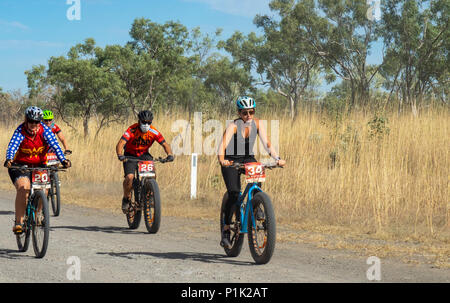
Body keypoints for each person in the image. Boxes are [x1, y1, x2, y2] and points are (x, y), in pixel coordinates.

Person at [217, 96, 286, 249]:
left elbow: (267, 144)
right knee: (234, 193)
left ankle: (256, 206)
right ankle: (226, 230)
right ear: (239, 113)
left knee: (257, 168)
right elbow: (222, 146)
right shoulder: (233, 126)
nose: (248, 116)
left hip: (247, 157)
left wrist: (277, 158)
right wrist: (222, 160)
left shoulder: (257, 124)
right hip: (231, 159)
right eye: (244, 113)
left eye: (251, 112)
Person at [3, 106, 71, 234]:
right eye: (30, 121)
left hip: (39, 165)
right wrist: (9, 159)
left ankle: (37, 214)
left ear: (40, 122)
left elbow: (55, 145)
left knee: (44, 189)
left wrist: (63, 160)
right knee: (24, 188)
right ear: (26, 120)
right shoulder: (20, 131)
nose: (33, 124)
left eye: (36, 122)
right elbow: (13, 145)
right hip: (20, 165)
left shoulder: (45, 130)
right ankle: (19, 222)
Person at [116, 110, 174, 213]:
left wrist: (169, 154)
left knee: (152, 173)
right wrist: (120, 155)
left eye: (148, 122)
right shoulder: (131, 130)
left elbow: (165, 144)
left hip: (144, 154)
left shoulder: (153, 131)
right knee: (129, 177)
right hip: (130, 155)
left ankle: (150, 194)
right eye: (144, 122)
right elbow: (120, 143)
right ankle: (126, 198)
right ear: (139, 121)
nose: (146, 125)